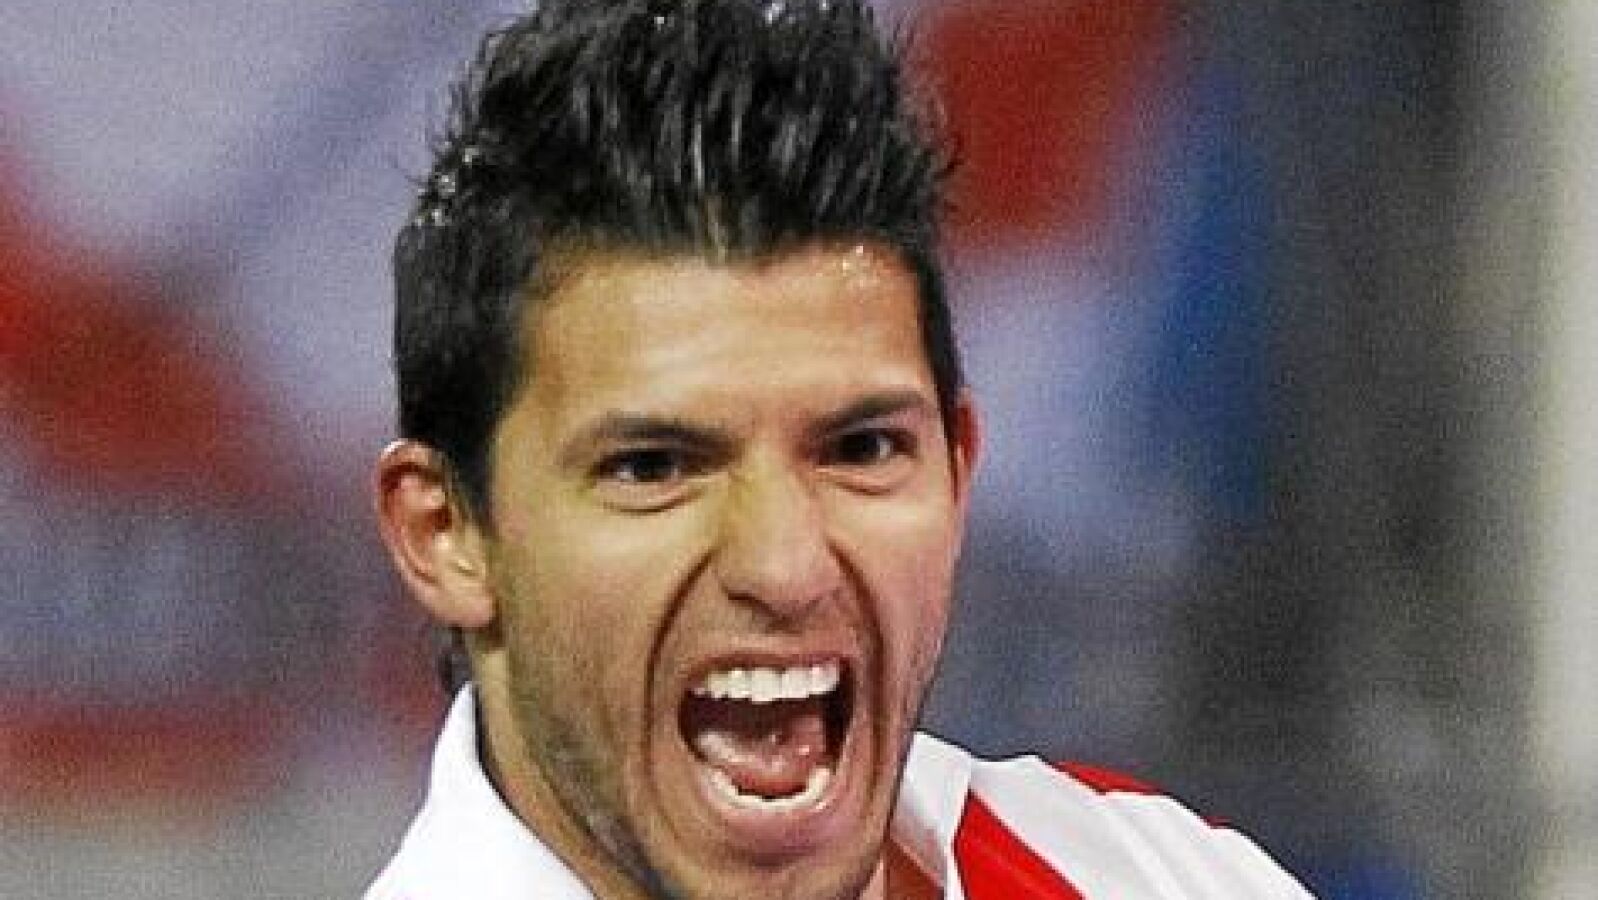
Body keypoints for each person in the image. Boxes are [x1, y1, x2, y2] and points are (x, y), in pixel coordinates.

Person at [368, 1, 1314, 897]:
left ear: (958, 472)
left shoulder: (1159, 875)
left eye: (862, 449)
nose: (786, 568)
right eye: (654, 467)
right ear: (445, 532)